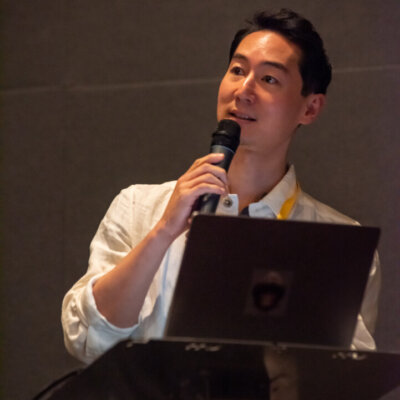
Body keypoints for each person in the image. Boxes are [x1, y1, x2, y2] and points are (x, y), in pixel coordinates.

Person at [62, 8, 380, 364]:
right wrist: (164, 231)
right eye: (238, 70)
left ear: (311, 108)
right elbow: (89, 339)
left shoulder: (337, 242)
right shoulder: (139, 207)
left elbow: (347, 373)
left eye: (269, 79)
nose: (243, 90)